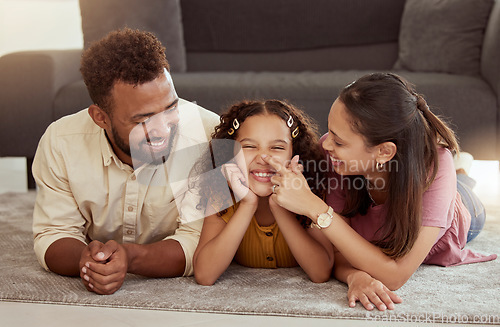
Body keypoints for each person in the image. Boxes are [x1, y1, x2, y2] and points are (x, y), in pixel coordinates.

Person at [262, 73, 497, 310]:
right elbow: (339, 251)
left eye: (339, 141)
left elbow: (395, 276)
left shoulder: (434, 166)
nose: (325, 144)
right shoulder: (335, 158)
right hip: (385, 208)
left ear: (384, 152)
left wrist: (314, 206)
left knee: (463, 187)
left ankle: (462, 171)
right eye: (330, 131)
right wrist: (357, 276)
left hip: (457, 216)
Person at [32, 28, 220, 294]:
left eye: (171, 108)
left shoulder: (209, 135)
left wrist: (130, 257)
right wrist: (86, 260)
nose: (164, 129)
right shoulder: (60, 141)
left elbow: (200, 243)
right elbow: (53, 233)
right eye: (142, 120)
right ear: (100, 117)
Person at [192, 100, 334, 285]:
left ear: (294, 154)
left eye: (277, 148)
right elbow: (205, 274)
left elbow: (320, 273)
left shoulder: (311, 191)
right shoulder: (220, 192)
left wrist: (279, 205)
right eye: (250, 146)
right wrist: (247, 204)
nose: (264, 158)